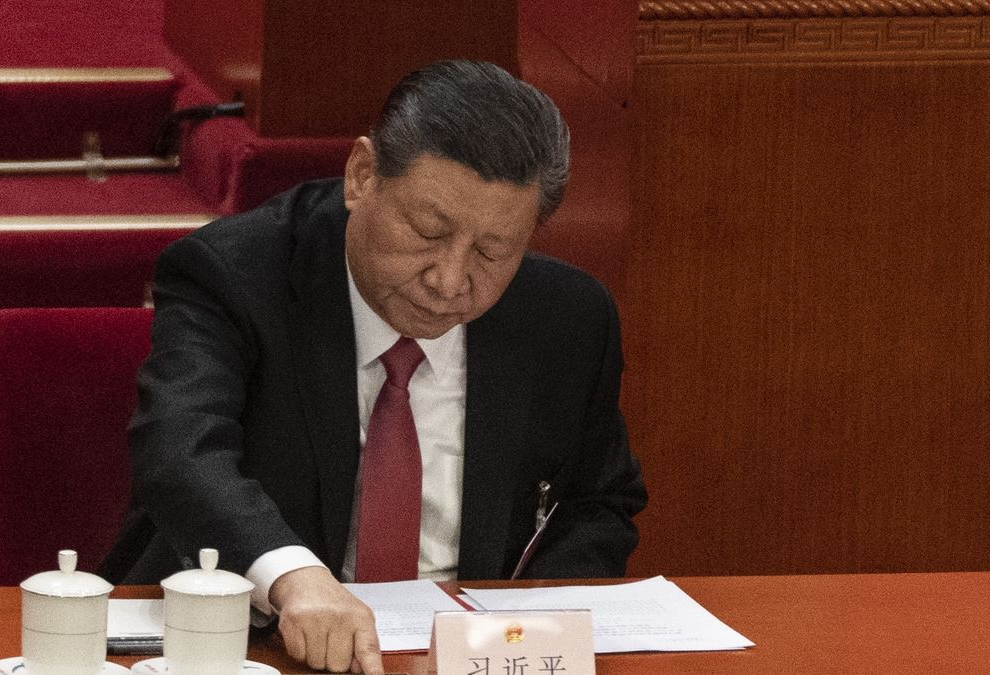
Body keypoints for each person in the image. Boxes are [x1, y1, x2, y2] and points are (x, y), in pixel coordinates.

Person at [101, 60, 647, 674]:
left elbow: (598, 502)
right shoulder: (233, 276)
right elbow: (179, 451)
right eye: (427, 231)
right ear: (362, 176)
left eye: (493, 251)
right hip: (250, 648)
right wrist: (293, 576)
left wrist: (526, 626)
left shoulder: (567, 317)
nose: (448, 281)